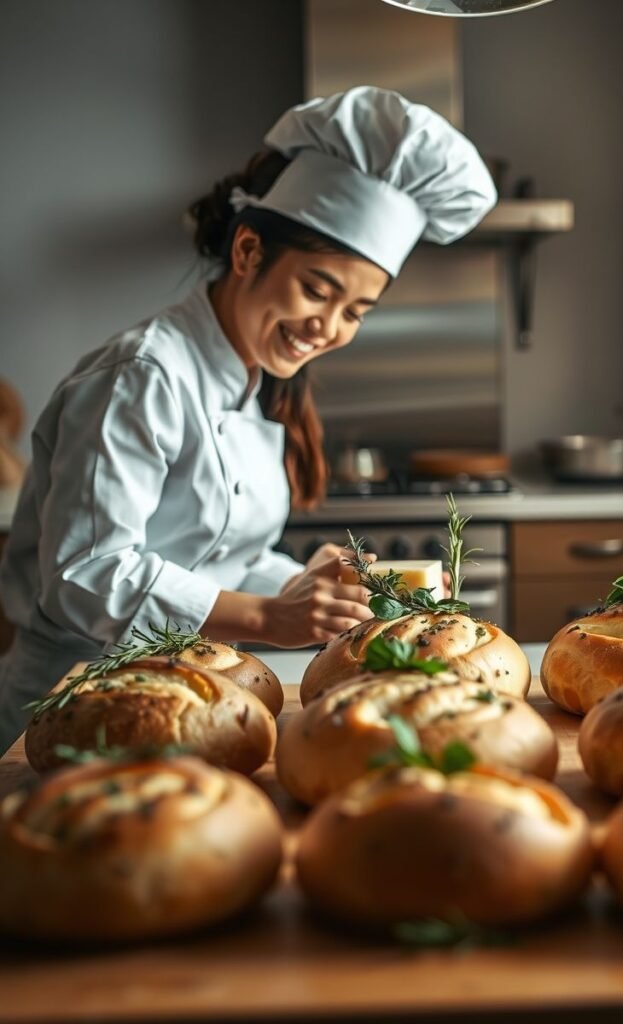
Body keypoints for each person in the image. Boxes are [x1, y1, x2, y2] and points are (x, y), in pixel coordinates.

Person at [0, 86, 497, 751]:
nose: (327, 327)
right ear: (247, 252)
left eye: (354, 312)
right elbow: (88, 575)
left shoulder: (250, 378)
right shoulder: (142, 375)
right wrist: (270, 614)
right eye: (317, 290)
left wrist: (297, 586)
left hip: (180, 692)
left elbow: (212, 553)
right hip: (68, 707)